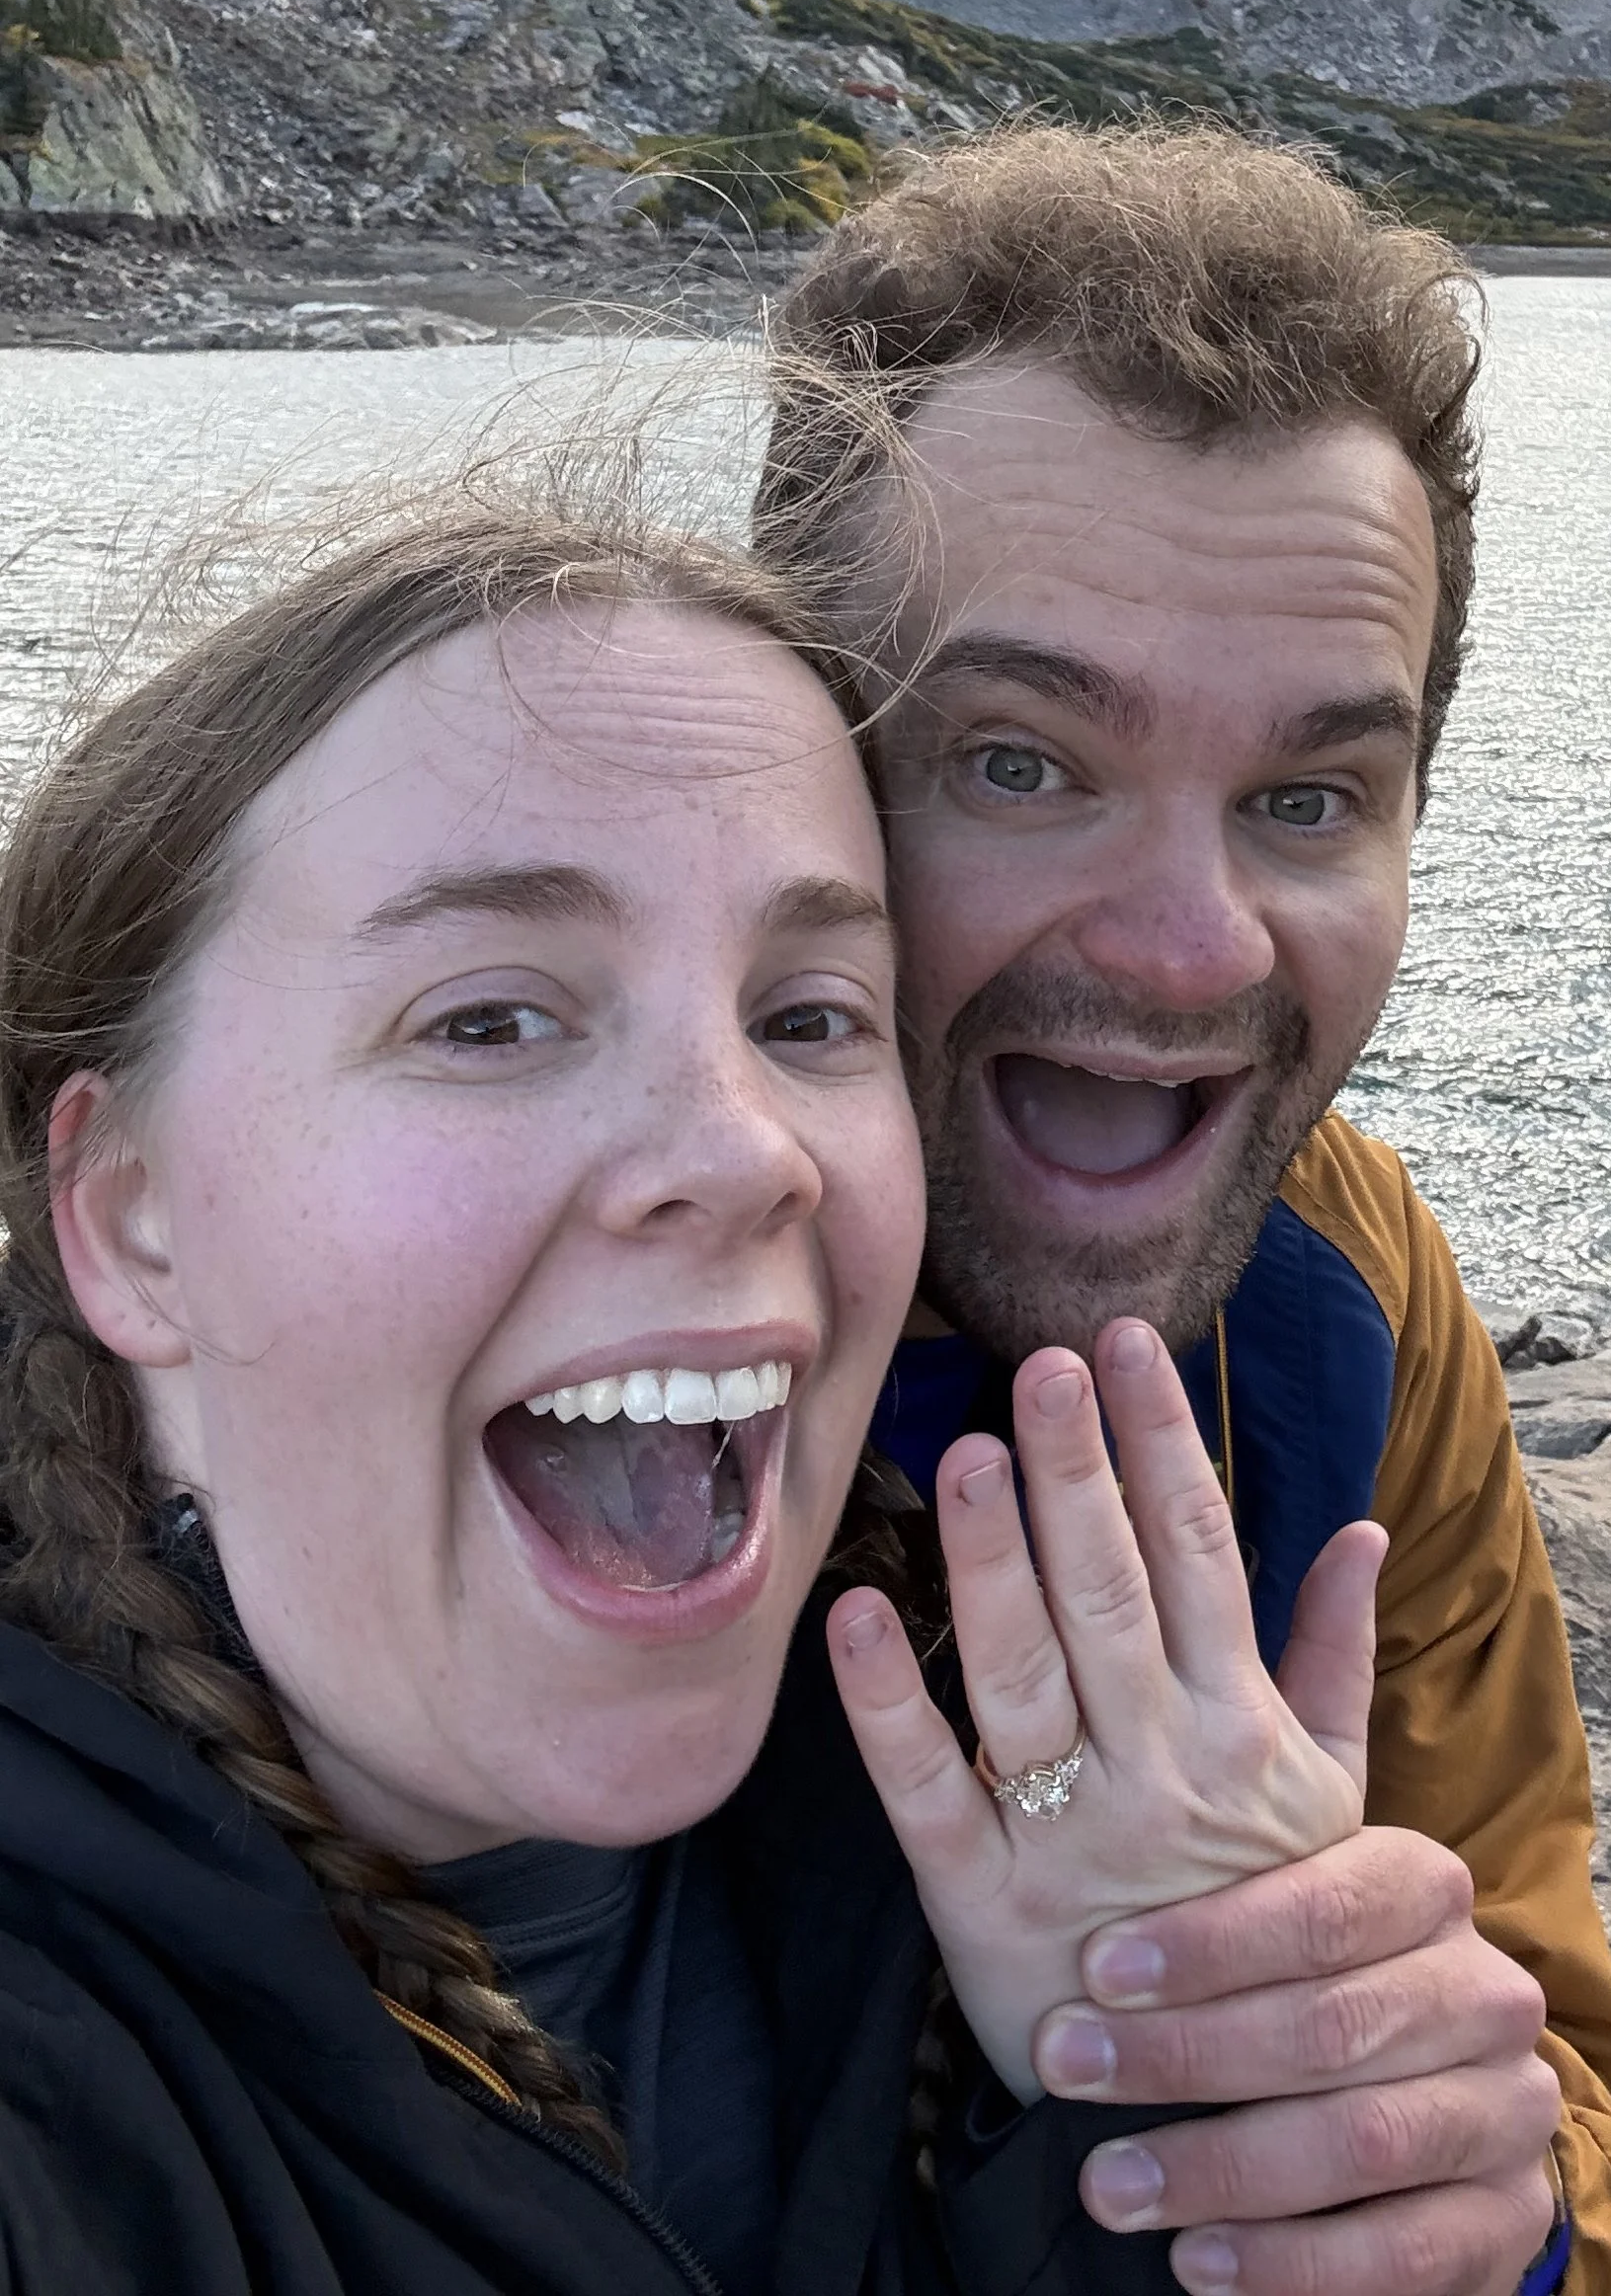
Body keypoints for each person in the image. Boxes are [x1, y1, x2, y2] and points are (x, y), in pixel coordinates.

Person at [0, 499, 1408, 2294]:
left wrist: (1166, 2137)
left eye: (812, 1018)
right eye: (492, 1020)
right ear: (129, 1217)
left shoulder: (994, 1849)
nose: (746, 1153)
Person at [756, 123, 1611, 2296]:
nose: (1192, 947)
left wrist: (1473, 2203)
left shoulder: (1341, 1290)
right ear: (791, 752)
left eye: (1306, 797)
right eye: (1019, 759)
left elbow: (1545, 2055)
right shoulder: (519, 1278)